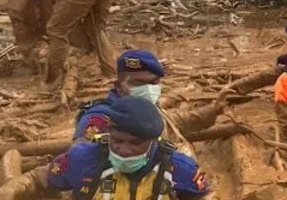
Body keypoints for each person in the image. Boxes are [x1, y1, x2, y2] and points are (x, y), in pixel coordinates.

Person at [0, 97, 221, 200]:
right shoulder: (82, 159)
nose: (125, 151)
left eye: (135, 144)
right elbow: (38, 180)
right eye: (118, 141)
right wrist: (11, 190)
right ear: (108, 135)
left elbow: (205, 193)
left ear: (154, 142)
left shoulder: (178, 166)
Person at [74, 50, 227, 142]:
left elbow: (175, 125)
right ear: (118, 86)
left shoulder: (151, 108)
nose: (147, 89)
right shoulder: (101, 118)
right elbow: (80, 160)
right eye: (138, 84)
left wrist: (214, 109)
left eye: (153, 83)